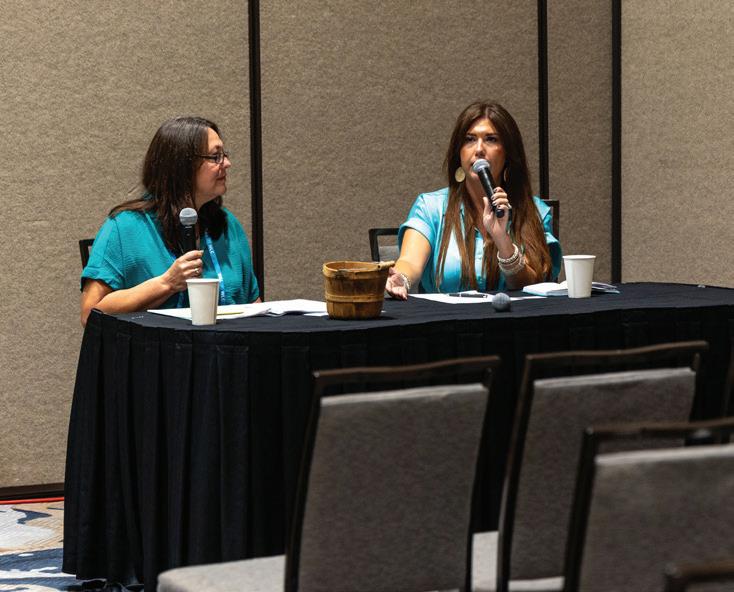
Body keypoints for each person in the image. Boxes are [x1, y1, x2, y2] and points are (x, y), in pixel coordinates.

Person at [80, 116, 260, 326]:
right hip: (156, 347)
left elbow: (255, 306)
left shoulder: (228, 225)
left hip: (226, 345)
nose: (227, 163)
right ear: (182, 165)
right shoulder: (125, 227)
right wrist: (167, 283)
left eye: (224, 155)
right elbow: (90, 314)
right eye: (215, 156)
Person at [385, 100, 561, 299]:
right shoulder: (430, 207)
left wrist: (502, 241)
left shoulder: (535, 211)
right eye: (469, 139)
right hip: (445, 317)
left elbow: (534, 285)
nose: (478, 149)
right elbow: (409, 262)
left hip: (514, 318)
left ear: (508, 153)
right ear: (459, 152)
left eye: (491, 139)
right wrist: (402, 278)